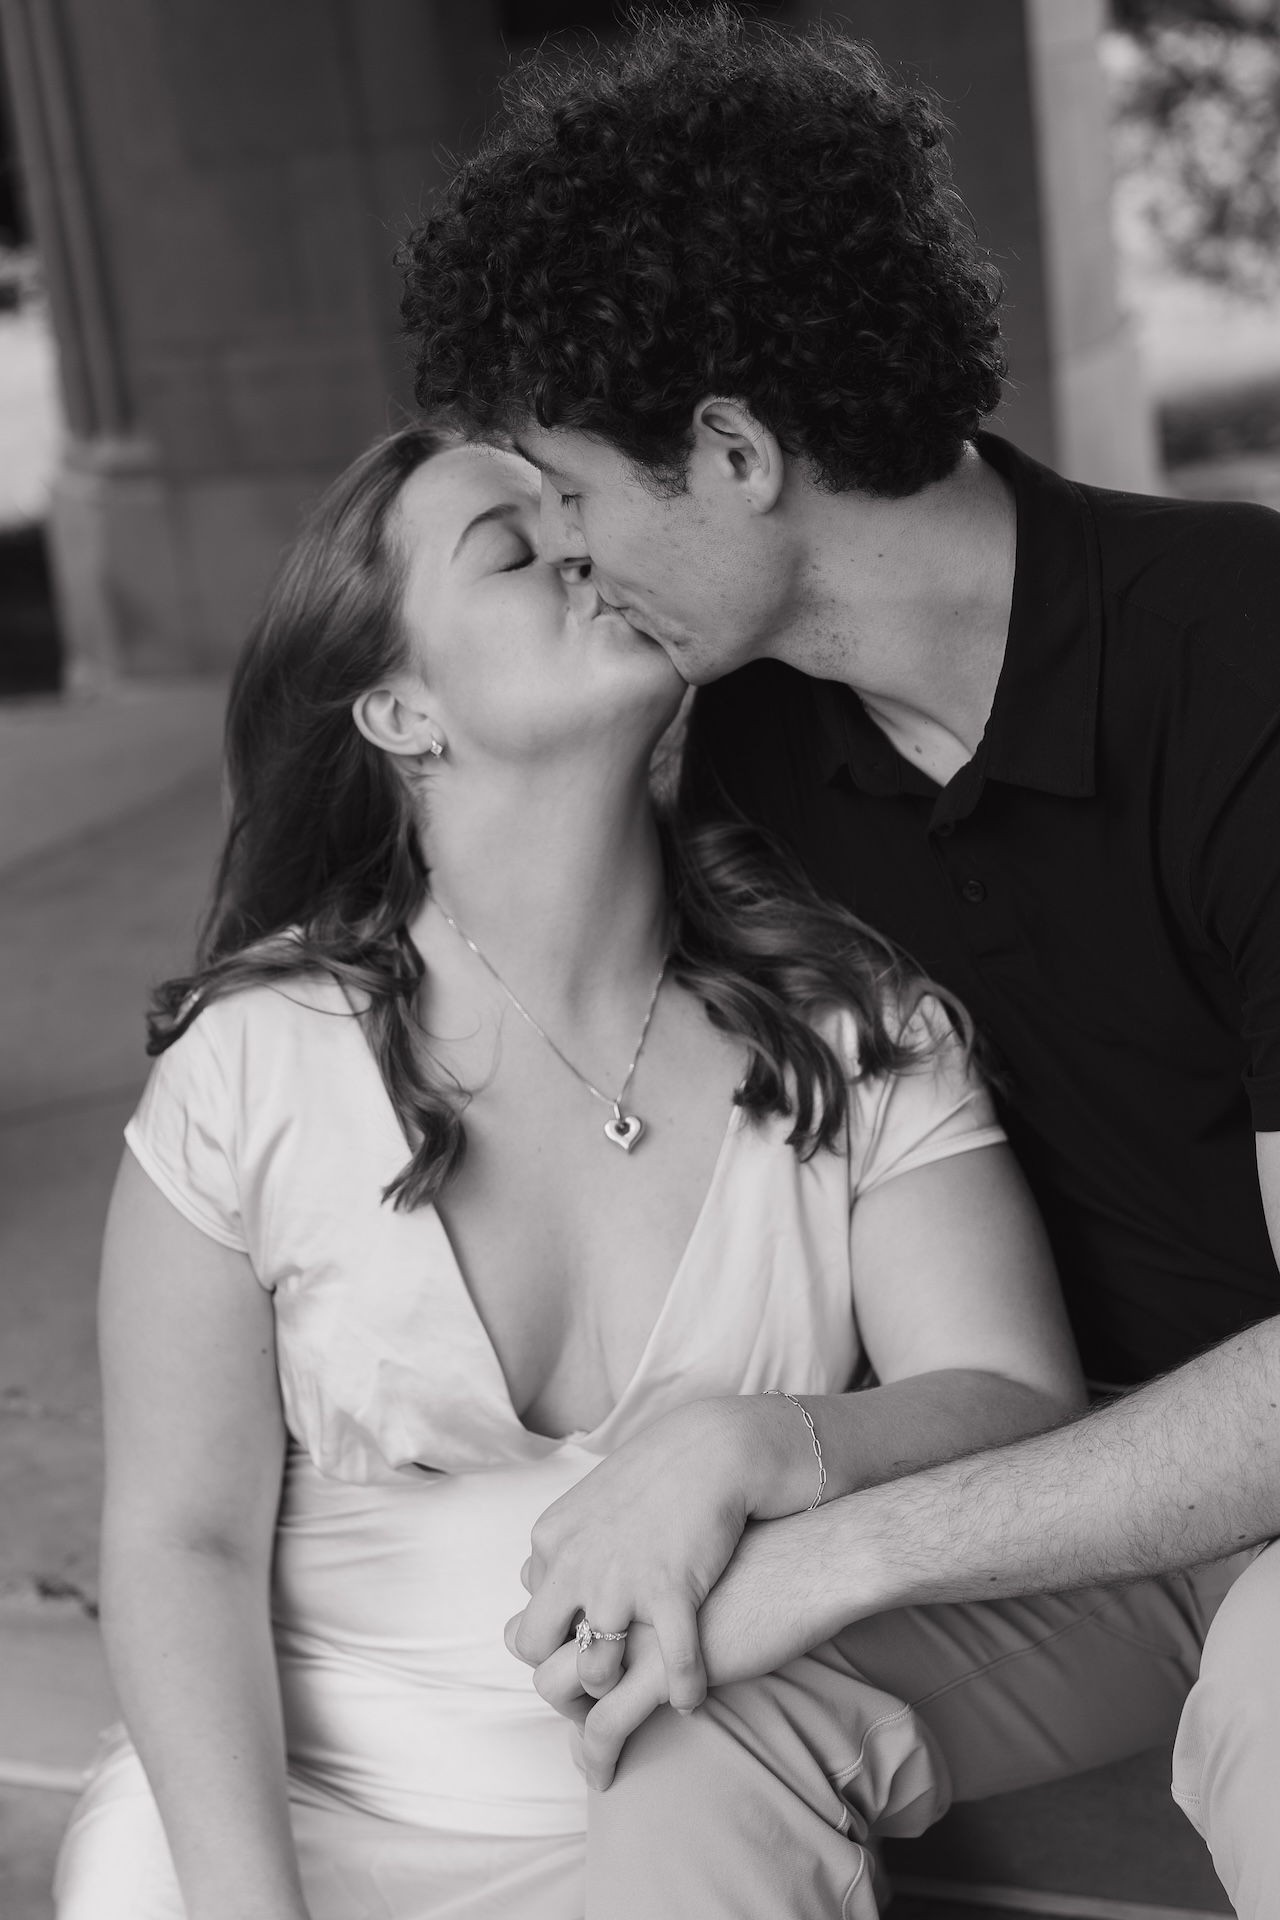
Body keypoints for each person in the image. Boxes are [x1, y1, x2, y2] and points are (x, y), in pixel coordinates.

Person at [399, 11, 1280, 1917]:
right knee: (694, 1734)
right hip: (1081, 1509)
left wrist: (845, 1525)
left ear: (731, 450)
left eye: (562, 484)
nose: (558, 549)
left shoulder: (1248, 672)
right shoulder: (752, 754)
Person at [52, 421, 1084, 1920]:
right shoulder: (254, 1065)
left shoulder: (854, 1029)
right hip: (283, 1829)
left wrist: (755, 1441)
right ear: (402, 707)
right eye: (514, 549)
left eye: (579, 517)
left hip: (699, 1815)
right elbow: (180, 1541)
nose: (583, 551)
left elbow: (1013, 1396)